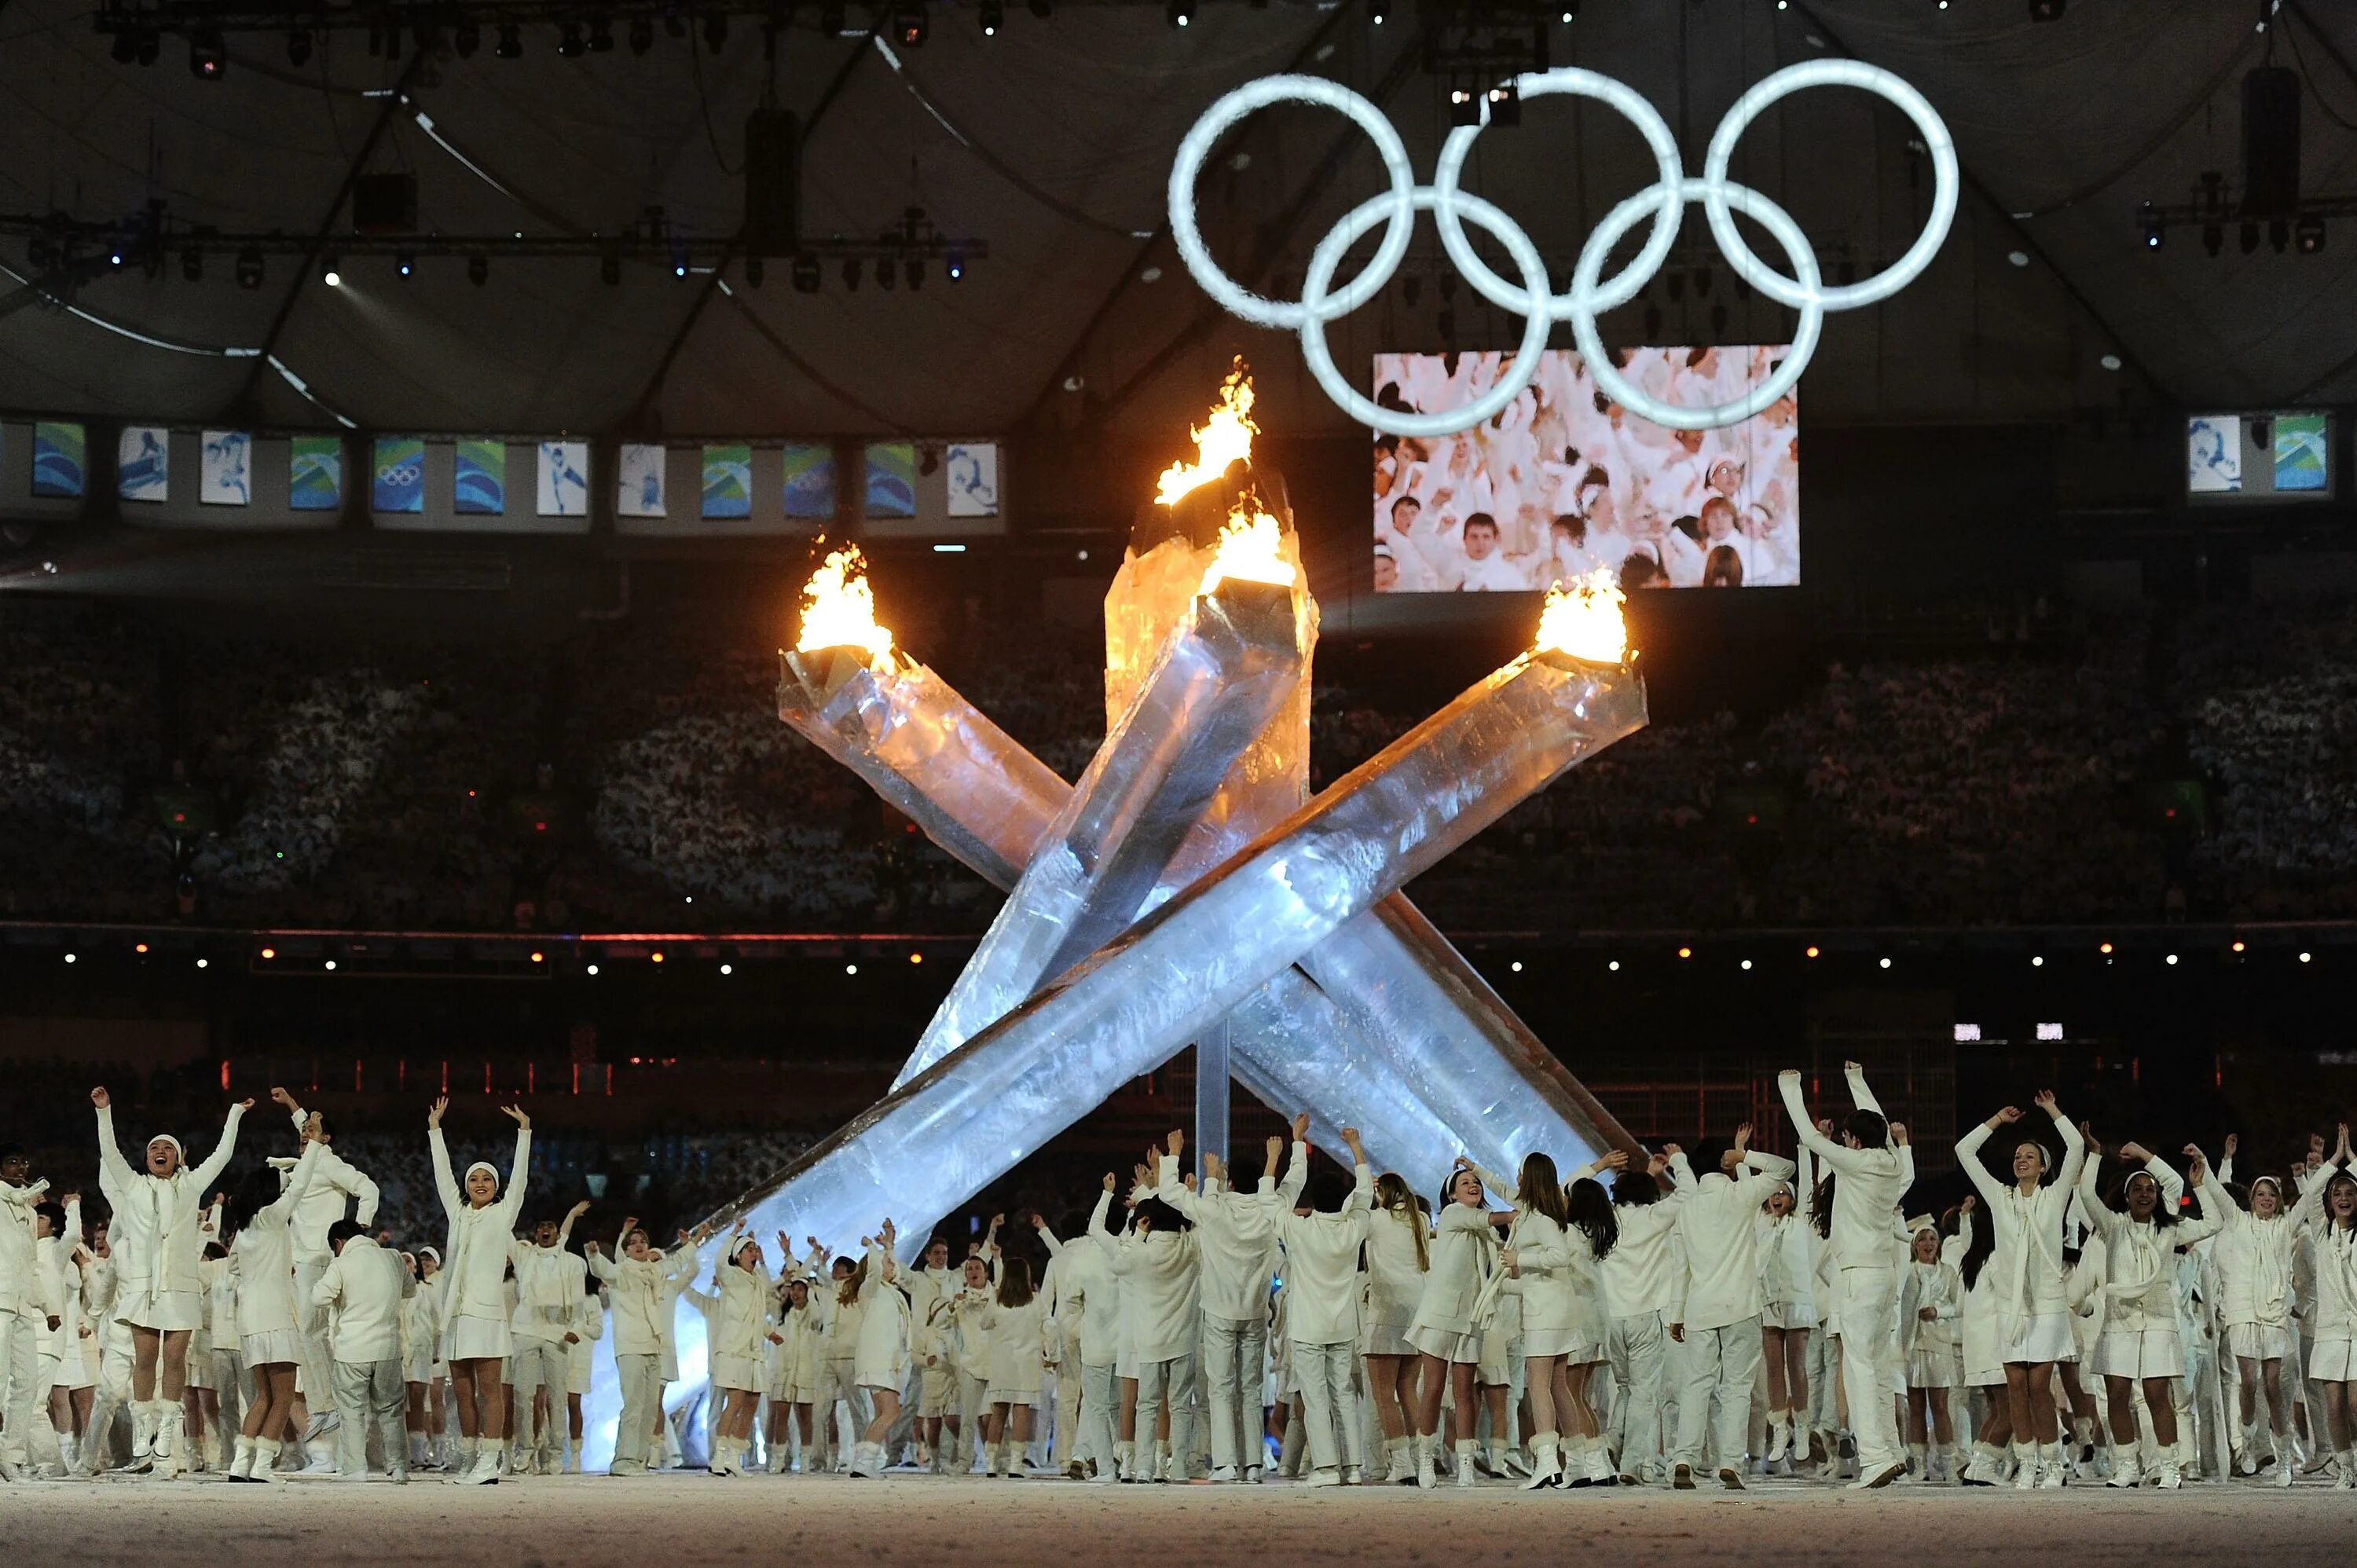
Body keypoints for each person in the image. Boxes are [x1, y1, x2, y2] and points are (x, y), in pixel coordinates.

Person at [90, 1084, 251, 1478]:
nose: (159, 1152)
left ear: (178, 1157)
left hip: (179, 1287)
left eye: (167, 1148)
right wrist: (104, 1111)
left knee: (175, 1359)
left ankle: (166, 1428)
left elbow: (223, 1154)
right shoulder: (133, 1185)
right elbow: (110, 1154)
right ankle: (143, 1432)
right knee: (145, 1360)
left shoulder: (192, 1185)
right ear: (146, 1158)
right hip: (145, 1288)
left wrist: (233, 1114)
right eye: (152, 1149)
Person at [1779, 1063, 1914, 1489]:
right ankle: (1891, 1452)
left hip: (1857, 1278)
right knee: (1876, 1366)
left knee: (1858, 1369)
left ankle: (1874, 1457)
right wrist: (1857, 1082)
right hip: (1885, 1276)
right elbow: (1879, 1126)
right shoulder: (1893, 1162)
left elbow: (1809, 1137)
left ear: (1853, 1141)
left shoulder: (1855, 1163)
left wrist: (1790, 1088)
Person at [1158, 1118, 1307, 1483]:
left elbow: (1169, 1193)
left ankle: (1225, 1464)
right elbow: (1294, 1182)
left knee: (1221, 1388)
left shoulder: (1215, 1209)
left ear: (1231, 1183)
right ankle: (1253, 1464)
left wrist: (1176, 1156)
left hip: (1220, 1312)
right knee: (1251, 1389)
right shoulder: (1268, 1211)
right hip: (1256, 1312)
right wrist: (1296, 1143)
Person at [1954, 1090, 2087, 1488]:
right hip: (2011, 1309)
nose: (2021, 1160)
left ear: (2044, 1167)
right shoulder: (2000, 1197)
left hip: (2046, 1305)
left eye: (2030, 1156)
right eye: (2017, 1157)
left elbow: (2076, 1145)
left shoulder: (2054, 1197)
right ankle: (2027, 1461)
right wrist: (1996, 1120)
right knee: (2014, 1388)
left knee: (2037, 1387)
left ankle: (2053, 1461)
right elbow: (1964, 1150)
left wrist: (2051, 1111)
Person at [2076, 1137, 2221, 1488]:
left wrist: (2199, 1187)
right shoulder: (2111, 1226)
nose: (2145, 1194)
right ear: (2126, 1197)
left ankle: (2169, 1465)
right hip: (2119, 1323)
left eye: (2150, 1189)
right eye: (2137, 1189)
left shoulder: (2170, 1228)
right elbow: (2086, 1196)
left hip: (2158, 1322)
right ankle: (2127, 1464)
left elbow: (2214, 1223)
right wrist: (2095, 1155)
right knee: (2118, 1395)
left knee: (2158, 1395)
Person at [1668, 1124, 1797, 1489]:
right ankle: (1729, 1463)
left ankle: (1684, 1458)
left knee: (1695, 1385)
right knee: (1737, 1389)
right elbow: (1785, 1168)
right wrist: (1747, 1156)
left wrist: (1676, 1313)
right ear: (1726, 1164)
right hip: (1740, 1305)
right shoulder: (1741, 1194)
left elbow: (1681, 1266)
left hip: (1699, 1308)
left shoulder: (1687, 1208)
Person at [266, 1088, 380, 1473]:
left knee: (311, 1337)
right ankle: (326, 1444)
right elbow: (307, 1131)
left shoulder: (329, 1164)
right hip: (298, 1264)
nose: (305, 1131)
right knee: (303, 1341)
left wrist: (360, 1231)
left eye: (313, 1128)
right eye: (304, 1127)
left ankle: (329, 1409)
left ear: (325, 1138)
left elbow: (369, 1188)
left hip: (319, 1261)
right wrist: (292, 1104)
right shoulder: (305, 1161)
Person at [424, 1096, 531, 1485]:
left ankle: (491, 1460)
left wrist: (524, 1131)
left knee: (490, 1389)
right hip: (455, 1315)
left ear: (496, 1187)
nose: (480, 1184)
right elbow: (441, 1176)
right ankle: (470, 1457)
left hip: (486, 1314)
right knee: (462, 1391)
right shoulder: (458, 1213)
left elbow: (520, 1177)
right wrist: (435, 1128)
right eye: (474, 1179)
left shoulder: (504, 1214)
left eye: (486, 1179)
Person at [223, 1136, 325, 1481]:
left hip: (249, 1320)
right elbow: (300, 1187)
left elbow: (233, 1267)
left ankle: (240, 1466)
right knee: (283, 1398)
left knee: (263, 1397)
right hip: (277, 1316)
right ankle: (263, 1466)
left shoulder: (245, 1226)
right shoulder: (271, 1218)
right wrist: (313, 1145)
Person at [1092, 1157, 1198, 1482]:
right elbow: (1205, 1224)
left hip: (1148, 1341)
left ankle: (1143, 1469)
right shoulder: (1192, 1247)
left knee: (1146, 1405)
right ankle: (1177, 1468)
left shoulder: (1138, 1251)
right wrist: (1188, 1194)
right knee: (1179, 1406)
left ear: (1146, 1222)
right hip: (1182, 1340)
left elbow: (1118, 1265)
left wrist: (1138, 1233)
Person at [1276, 1127, 1372, 1488]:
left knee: (1315, 1398)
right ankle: (1352, 1467)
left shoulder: (1299, 1230)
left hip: (1308, 1327)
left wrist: (1297, 1142)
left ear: (1312, 1201)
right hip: (1343, 1325)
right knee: (1344, 1395)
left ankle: (1327, 1468)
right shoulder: (1353, 1228)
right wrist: (1356, 1148)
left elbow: (1277, 1201)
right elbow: (1364, 1195)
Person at [1407, 1156, 1503, 1489]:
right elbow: (1492, 1217)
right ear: (1451, 1196)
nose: (1473, 1185)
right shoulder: (1453, 1215)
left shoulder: (1484, 1232)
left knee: (1465, 1392)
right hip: (1440, 1313)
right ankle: (1426, 1458)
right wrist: (1523, 1212)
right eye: (1465, 1183)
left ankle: (1465, 1464)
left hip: (1471, 1316)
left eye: (1475, 1182)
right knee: (1433, 1388)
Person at [1603, 1148, 1692, 1486]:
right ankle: (1631, 1462)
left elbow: (1574, 1190)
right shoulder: (1656, 1217)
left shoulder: (1607, 1219)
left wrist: (1642, 1174)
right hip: (1644, 1316)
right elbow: (1688, 1193)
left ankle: (1612, 1439)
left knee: (1625, 1389)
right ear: (1651, 1195)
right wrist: (1678, 1161)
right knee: (1642, 1393)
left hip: (1611, 1317)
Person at [585, 1217, 698, 1476]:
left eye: (643, 1241)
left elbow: (678, 1262)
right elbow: (603, 1268)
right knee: (634, 1405)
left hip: (654, 1346)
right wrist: (593, 1255)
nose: (639, 1245)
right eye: (633, 1243)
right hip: (630, 1346)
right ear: (625, 1251)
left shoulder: (656, 1273)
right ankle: (622, 1460)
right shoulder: (621, 1272)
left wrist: (692, 1242)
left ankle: (637, 1459)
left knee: (650, 1408)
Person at [311, 1217, 415, 1482]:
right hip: (388, 1347)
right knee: (391, 1410)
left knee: (351, 1411)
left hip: (352, 1350)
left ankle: (356, 1468)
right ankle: (398, 1467)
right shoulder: (393, 1257)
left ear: (338, 1243)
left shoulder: (341, 1263)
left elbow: (318, 1298)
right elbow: (410, 1290)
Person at [682, 1224, 779, 1478]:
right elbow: (718, 1262)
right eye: (748, 1249)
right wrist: (735, 1234)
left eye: (754, 1248)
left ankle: (733, 1458)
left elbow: (758, 1314)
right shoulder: (731, 1276)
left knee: (752, 1403)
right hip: (733, 1350)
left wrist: (769, 1333)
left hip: (754, 1351)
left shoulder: (757, 1280)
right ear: (737, 1255)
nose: (753, 1251)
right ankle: (719, 1458)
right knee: (735, 1401)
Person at [1039, 1190, 1121, 1482]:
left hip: (1069, 1333)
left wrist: (1048, 1343)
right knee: (1100, 1399)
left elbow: (1045, 1306)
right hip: (1103, 1334)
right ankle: (1100, 1455)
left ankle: (1068, 1458)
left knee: (1069, 1399)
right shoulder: (1111, 1250)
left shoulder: (1060, 1259)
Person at [508, 1200, 592, 1475]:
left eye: (551, 1227)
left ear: (558, 1233)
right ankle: (525, 1451)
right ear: (535, 1234)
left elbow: (579, 1303)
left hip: (557, 1333)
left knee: (557, 1397)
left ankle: (556, 1455)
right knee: (523, 1394)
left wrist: (576, 1329)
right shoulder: (524, 1255)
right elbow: (504, 1232)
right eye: (541, 1227)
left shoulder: (573, 1263)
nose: (546, 1230)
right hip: (525, 1330)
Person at [1362, 1170, 1431, 1484]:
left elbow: (1356, 1211)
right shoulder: (1421, 1220)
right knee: (1408, 1391)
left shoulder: (1377, 1220)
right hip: (1417, 1312)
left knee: (1383, 1394)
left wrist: (1365, 1183)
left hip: (1386, 1313)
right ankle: (1424, 1460)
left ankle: (1402, 1465)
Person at [2298, 1124, 2355, 1489]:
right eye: (2339, 1193)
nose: (2344, 1197)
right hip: (2331, 1329)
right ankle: (2346, 1467)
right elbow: (2311, 1195)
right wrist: (2334, 1162)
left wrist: (2353, 1160)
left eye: (2351, 1192)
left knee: (2355, 1404)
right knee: (2334, 1405)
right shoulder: (2321, 1233)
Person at [976, 1247, 1050, 1479]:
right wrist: (1052, 1354)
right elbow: (1050, 1326)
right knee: (1021, 1413)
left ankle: (990, 1464)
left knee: (997, 1413)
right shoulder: (1035, 1301)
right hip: (1027, 1365)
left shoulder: (997, 1299)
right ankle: (1016, 1465)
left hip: (1002, 1364)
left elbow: (984, 1324)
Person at [1900, 1215, 1964, 1482]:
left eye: (1933, 1239)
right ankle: (1920, 1465)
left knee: (1940, 1405)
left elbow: (1959, 1306)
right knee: (1915, 1406)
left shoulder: (1948, 1272)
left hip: (1938, 1344)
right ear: (1915, 1246)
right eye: (1923, 1239)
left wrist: (1939, 1312)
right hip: (1913, 1345)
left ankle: (1948, 1463)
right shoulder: (1907, 1271)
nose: (1928, 1243)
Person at [0, 1151, 52, 1483]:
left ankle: (11, 1455)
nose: (23, 1167)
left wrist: (50, 1308)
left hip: (21, 1307)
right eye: (15, 1161)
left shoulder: (28, 1212)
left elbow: (31, 1266)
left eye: (25, 1162)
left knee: (28, 1383)